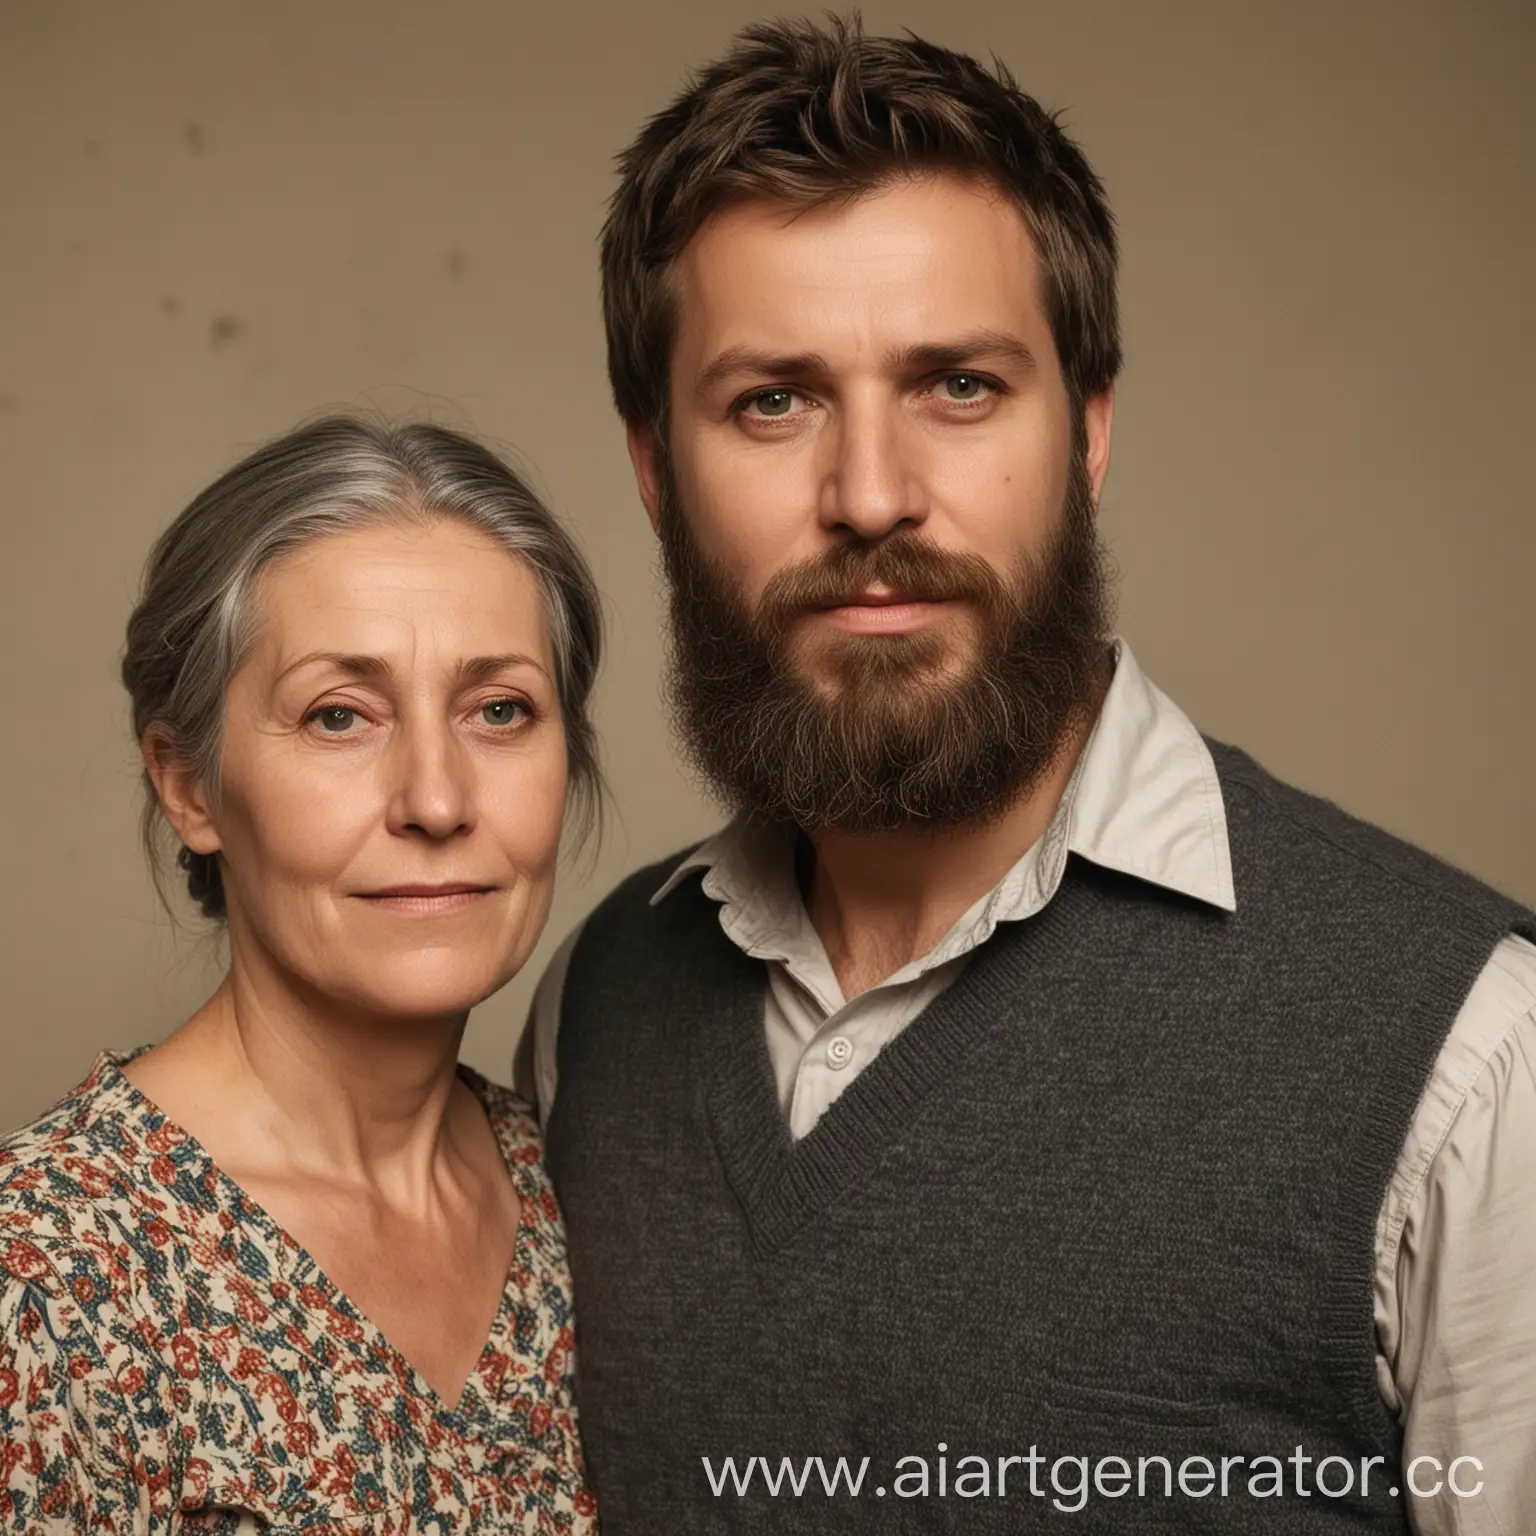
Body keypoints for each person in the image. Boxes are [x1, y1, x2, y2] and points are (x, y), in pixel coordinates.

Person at [517, 17, 1536, 1533]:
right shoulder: (593, 1014)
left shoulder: (1469, 1057)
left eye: (960, 387)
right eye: (772, 402)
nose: (872, 496)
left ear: (1092, 433)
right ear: (656, 471)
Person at [0, 417, 601, 1532]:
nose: (436, 798)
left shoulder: (583, 1187)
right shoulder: (45, 1276)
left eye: (500, 709)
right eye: (340, 715)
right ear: (189, 787)